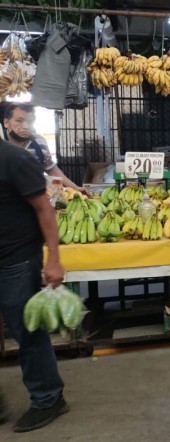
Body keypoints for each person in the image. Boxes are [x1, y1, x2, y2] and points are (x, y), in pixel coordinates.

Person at [0, 138, 69, 432]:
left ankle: (48, 398)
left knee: (27, 332)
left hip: (15, 261)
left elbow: (45, 210)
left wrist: (53, 260)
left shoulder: (14, 159)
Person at [2, 103, 88, 194]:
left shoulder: (39, 142)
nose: (26, 126)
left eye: (30, 121)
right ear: (6, 123)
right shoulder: (1, 142)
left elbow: (51, 169)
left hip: (33, 198)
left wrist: (75, 188)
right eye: (19, 121)